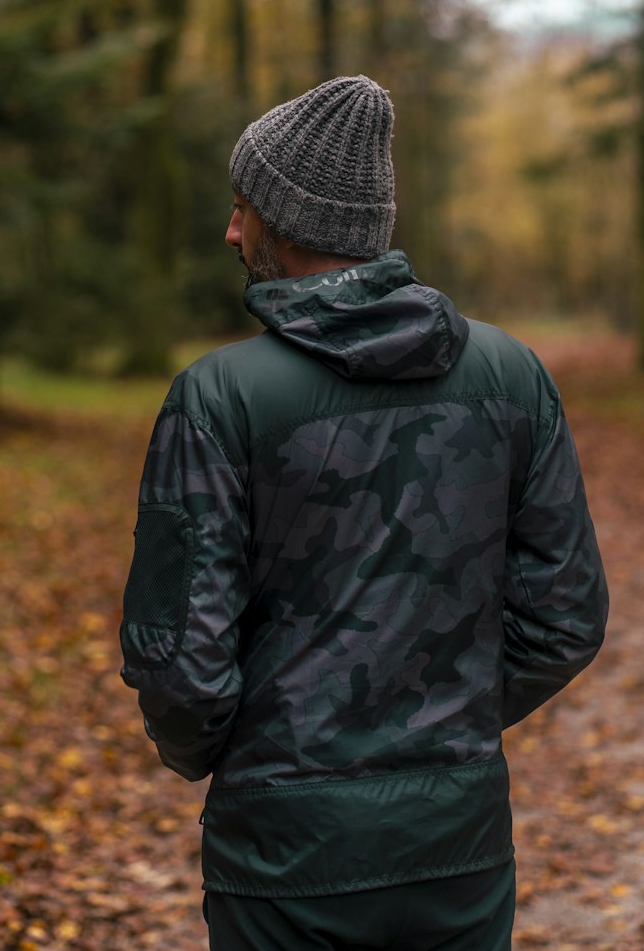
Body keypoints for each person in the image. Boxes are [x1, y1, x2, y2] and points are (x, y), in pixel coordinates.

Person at [120, 74, 608, 951]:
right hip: (455, 845)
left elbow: (181, 657)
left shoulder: (219, 396)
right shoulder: (512, 375)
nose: (233, 230)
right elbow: (564, 617)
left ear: (290, 221)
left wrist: (239, 760)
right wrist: (438, 729)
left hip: (285, 858)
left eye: (244, 208)